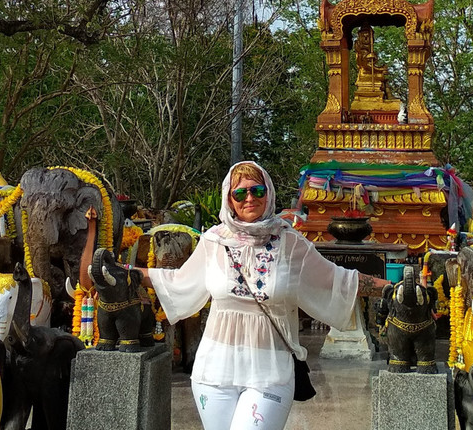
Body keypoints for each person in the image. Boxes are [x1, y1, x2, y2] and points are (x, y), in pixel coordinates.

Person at [140, 161, 389, 430]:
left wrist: (391, 288)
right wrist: (129, 273)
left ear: (268, 193)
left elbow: (338, 279)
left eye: (257, 191)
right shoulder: (213, 241)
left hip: (270, 371)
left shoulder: (290, 243)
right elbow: (177, 279)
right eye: (240, 193)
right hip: (213, 372)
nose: (249, 198)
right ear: (229, 199)